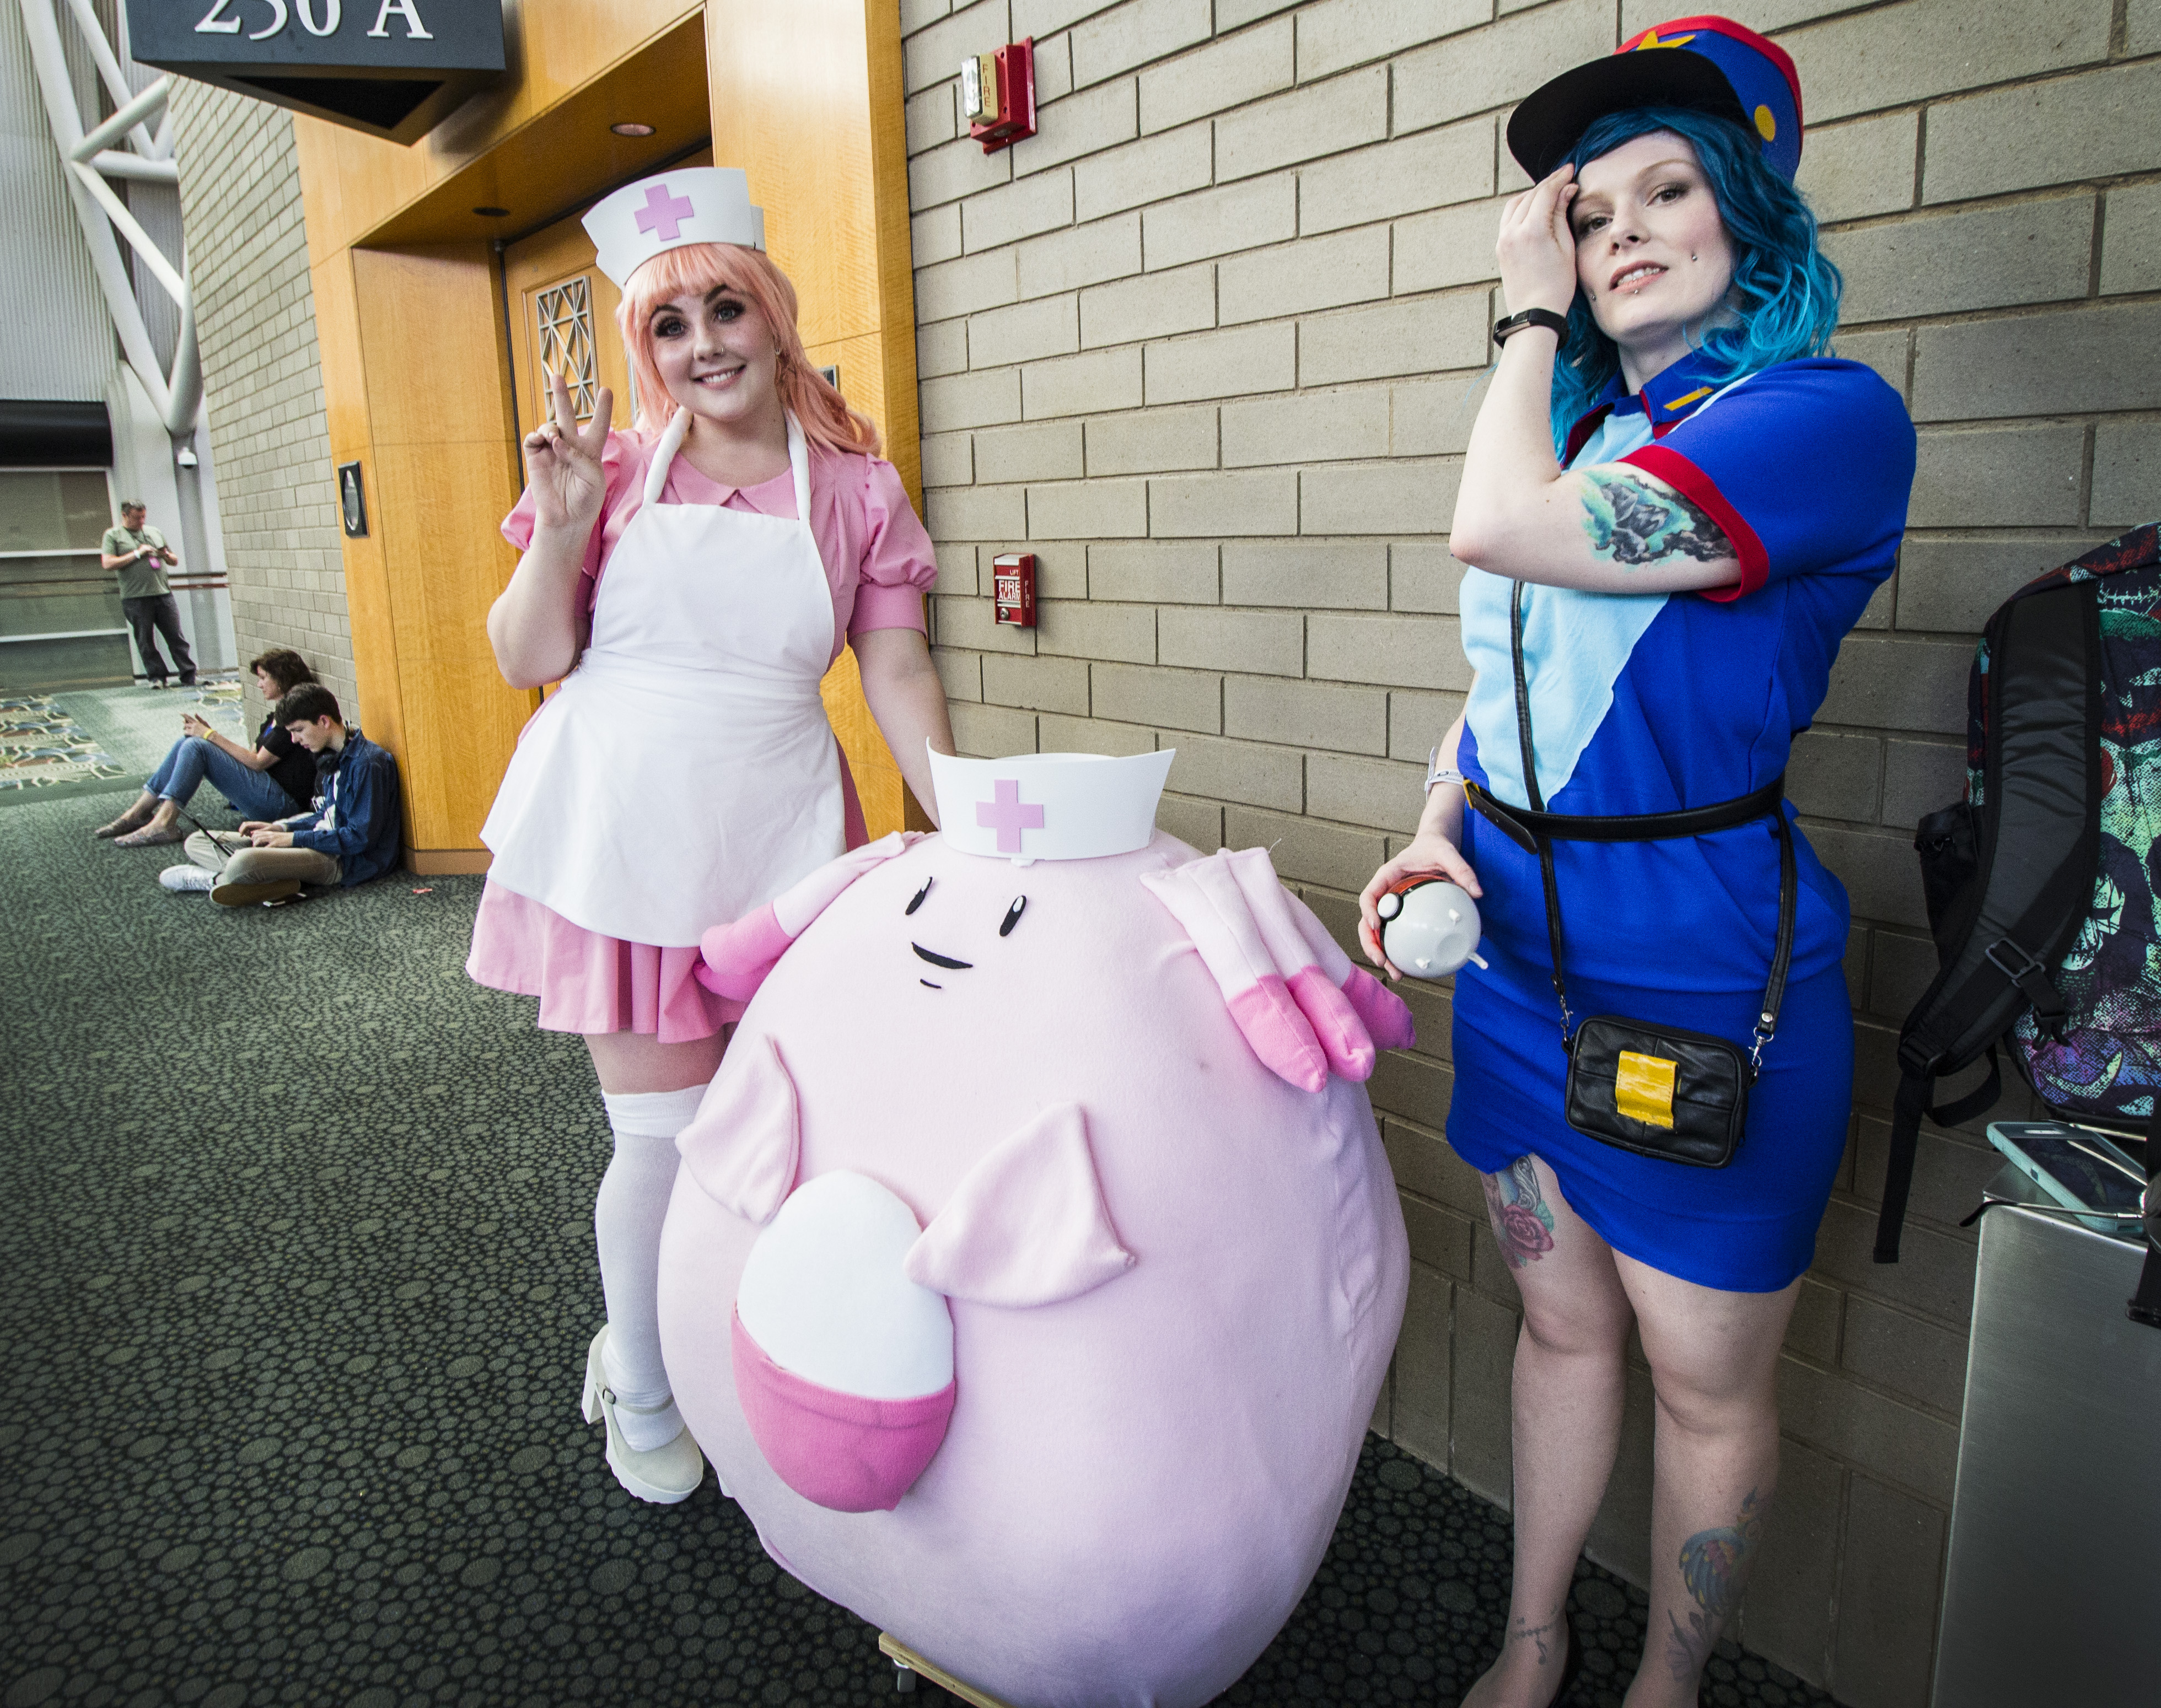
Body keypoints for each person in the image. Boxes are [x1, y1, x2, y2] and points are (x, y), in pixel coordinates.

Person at [1356, 20, 1915, 1708]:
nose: (1616, 235)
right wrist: (1433, 822)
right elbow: (1500, 677)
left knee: (1698, 1377)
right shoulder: (1581, 435)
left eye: (1666, 189)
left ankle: (1663, 1690)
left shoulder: (1816, 416)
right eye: (1589, 217)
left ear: (1749, 213)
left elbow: (1499, 532)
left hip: (1699, 964)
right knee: (1560, 1322)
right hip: (1518, 955)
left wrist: (1521, 315)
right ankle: (1533, 1640)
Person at [465, 167, 954, 1506]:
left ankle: (736, 1341)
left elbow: (896, 670)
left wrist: (962, 807)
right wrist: (556, 530)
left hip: (780, 829)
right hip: (624, 825)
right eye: (670, 329)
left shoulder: (856, 485)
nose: (704, 349)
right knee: (667, 1135)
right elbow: (528, 656)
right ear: (645, 350)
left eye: (725, 310)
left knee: (779, 1123)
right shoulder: (608, 473)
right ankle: (639, 1371)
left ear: (773, 315)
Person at [161, 682, 403, 907]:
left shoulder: (368, 764)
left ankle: (215, 880)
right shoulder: (331, 759)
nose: (295, 740)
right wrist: (282, 829)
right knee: (196, 842)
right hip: (317, 840)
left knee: (242, 863)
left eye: (299, 730)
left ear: (324, 722)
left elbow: (358, 839)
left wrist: (293, 840)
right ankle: (275, 883)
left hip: (341, 861)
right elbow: (326, 816)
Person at [96, 649, 321, 845]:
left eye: (263, 678)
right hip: (268, 791)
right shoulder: (274, 717)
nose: (259, 684)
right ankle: (139, 812)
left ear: (281, 679)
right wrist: (209, 737)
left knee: (197, 746)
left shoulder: (292, 718)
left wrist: (210, 736)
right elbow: (252, 756)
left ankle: (164, 823)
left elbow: (257, 762)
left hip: (284, 806)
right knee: (188, 742)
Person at [100, 500, 196, 688]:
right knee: (145, 639)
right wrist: (137, 554)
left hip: (163, 593)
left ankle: (188, 676)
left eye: (143, 516)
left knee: (176, 636)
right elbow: (108, 564)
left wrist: (165, 556)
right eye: (137, 518)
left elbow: (174, 560)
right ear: (125, 516)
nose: (141, 521)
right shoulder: (113, 535)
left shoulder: (154, 532)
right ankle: (157, 677)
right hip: (136, 597)